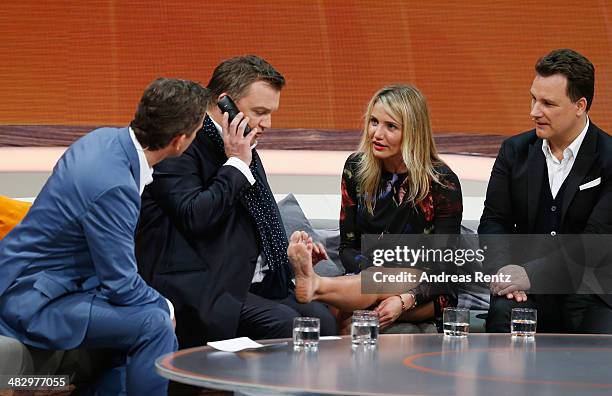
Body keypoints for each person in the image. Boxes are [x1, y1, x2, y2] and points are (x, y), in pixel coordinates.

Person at [0, 78, 207, 394]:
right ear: (179, 141)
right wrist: (165, 306)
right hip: (33, 298)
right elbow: (121, 284)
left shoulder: (103, 140)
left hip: (48, 281)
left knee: (141, 319)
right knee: (154, 322)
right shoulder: (114, 186)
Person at [135, 55, 336, 348]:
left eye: (271, 113)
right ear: (225, 102)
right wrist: (237, 165)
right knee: (292, 326)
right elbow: (195, 216)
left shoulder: (241, 145)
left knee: (320, 319)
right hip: (198, 288)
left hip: (242, 282)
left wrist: (285, 253)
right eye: (260, 111)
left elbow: (246, 220)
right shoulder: (183, 142)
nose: (267, 123)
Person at [288, 84, 463, 332]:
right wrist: (374, 270)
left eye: (390, 126)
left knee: (375, 283)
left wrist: (402, 300)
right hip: (368, 279)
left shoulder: (442, 182)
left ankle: (316, 285)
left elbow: (443, 268)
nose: (376, 134)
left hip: (427, 290)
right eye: (373, 122)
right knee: (346, 319)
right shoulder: (356, 169)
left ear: (413, 132)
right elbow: (348, 248)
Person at [479, 48, 612, 333]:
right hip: (525, 292)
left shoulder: (609, 158)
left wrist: (531, 274)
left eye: (548, 103)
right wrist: (504, 274)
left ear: (580, 105)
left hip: (590, 293)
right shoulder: (514, 152)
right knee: (503, 314)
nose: (534, 112)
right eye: (533, 98)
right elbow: (494, 221)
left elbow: (595, 241)